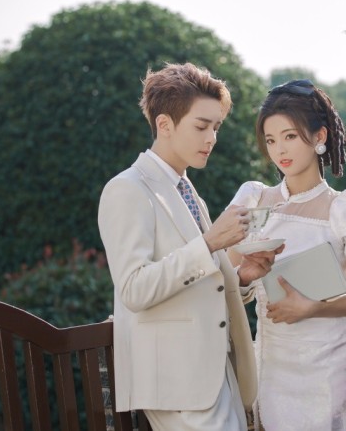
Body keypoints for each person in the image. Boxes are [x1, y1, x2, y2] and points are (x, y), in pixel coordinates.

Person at [97, 62, 283, 431]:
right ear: (164, 124)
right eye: (201, 126)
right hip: (178, 383)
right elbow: (134, 288)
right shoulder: (127, 189)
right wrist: (210, 242)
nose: (212, 138)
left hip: (216, 375)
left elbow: (201, 283)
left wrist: (242, 277)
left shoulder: (187, 192)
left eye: (216, 127)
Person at [227, 79, 346, 430]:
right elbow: (222, 285)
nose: (279, 150)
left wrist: (315, 307)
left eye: (290, 136)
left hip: (339, 369)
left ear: (319, 136)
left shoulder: (345, 208)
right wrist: (243, 278)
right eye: (271, 140)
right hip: (276, 372)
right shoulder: (253, 200)